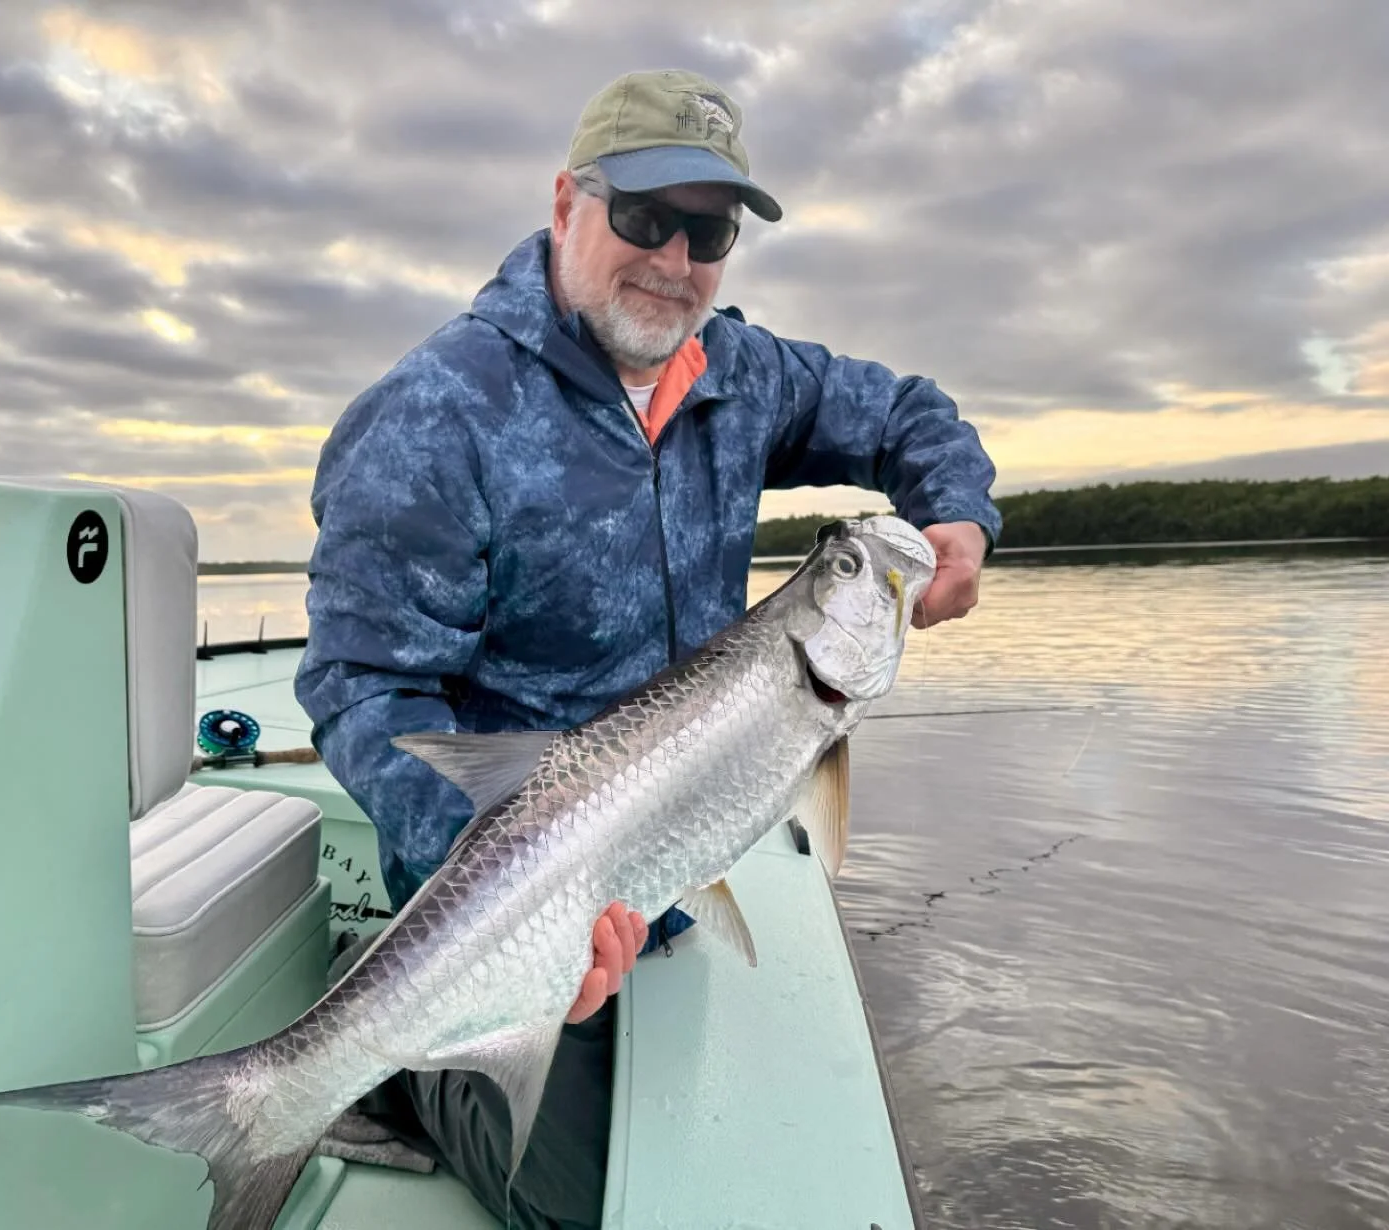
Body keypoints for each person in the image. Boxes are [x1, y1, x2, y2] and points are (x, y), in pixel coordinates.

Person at [295, 68, 1003, 1228]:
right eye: (642, 217)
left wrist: (958, 510)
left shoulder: (738, 371)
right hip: (511, 886)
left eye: (708, 230)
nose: (674, 261)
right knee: (577, 1214)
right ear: (567, 202)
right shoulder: (433, 418)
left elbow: (907, 411)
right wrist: (533, 905)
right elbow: (363, 690)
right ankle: (416, 1072)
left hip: (671, 847)